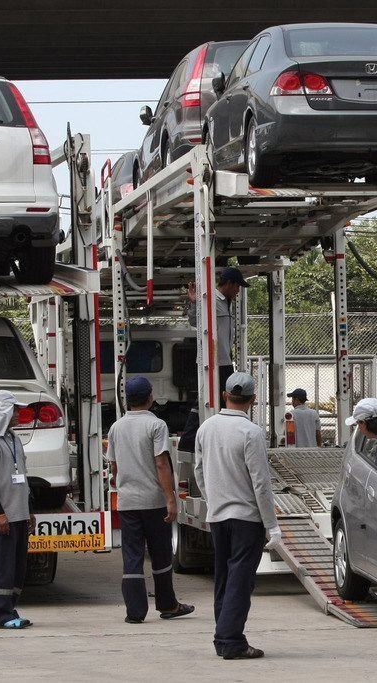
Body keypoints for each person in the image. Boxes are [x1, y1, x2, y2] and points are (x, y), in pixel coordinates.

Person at [194, 372, 280, 660]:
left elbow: (198, 471)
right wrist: (272, 525)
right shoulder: (251, 432)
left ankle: (224, 636)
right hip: (246, 518)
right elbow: (261, 482)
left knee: (225, 578)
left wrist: (213, 500)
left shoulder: (206, 428)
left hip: (218, 517)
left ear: (224, 395)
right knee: (240, 581)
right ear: (253, 400)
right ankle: (230, 640)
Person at [107, 376, 194, 624]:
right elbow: (161, 463)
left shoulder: (116, 427)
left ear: (127, 400)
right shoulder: (156, 425)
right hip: (154, 502)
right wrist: (171, 498)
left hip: (128, 504)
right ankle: (167, 605)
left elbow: (113, 466)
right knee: (161, 554)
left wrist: (120, 483)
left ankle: (135, 612)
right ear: (150, 398)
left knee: (132, 557)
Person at [0, 390, 36, 630]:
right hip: (4, 516)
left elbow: (23, 477)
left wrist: (29, 509)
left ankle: (11, 609)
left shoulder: (13, 439)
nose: (19, 413)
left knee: (18, 566)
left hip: (19, 514)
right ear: (3, 411)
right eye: (15, 409)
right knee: (2, 565)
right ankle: (1, 615)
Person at [187, 266, 251, 407]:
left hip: (224, 361)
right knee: (216, 401)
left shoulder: (225, 302)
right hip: (215, 362)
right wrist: (194, 303)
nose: (238, 290)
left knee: (223, 401)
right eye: (238, 286)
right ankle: (192, 429)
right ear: (229, 283)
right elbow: (194, 321)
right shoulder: (212, 299)